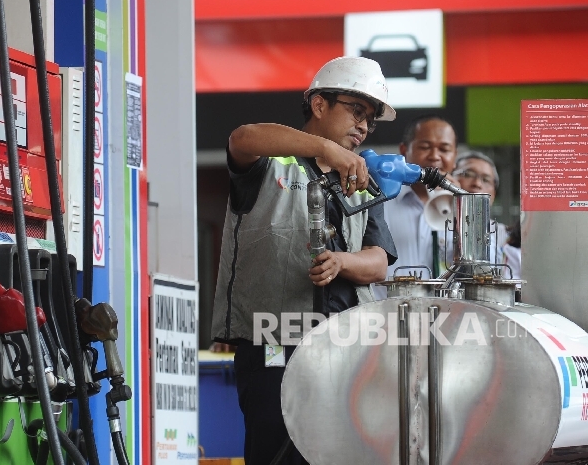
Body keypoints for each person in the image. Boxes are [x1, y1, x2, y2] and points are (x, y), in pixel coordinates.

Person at [210, 56, 398, 465]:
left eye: (371, 119)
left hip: (346, 346)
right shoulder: (269, 162)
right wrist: (328, 149)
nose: (364, 126)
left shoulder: (362, 182)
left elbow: (379, 262)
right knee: (277, 451)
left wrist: (342, 262)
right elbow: (242, 138)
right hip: (273, 342)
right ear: (318, 104)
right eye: (356, 111)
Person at [383, 115, 458, 281]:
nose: (435, 156)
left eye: (444, 150)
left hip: (443, 306)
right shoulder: (382, 200)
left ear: (455, 156)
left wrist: (461, 208)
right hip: (387, 305)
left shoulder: (460, 208)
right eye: (425, 147)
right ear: (404, 151)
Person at [453, 151, 508, 263]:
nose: (477, 183)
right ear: (451, 179)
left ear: (494, 194)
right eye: (468, 174)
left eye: (486, 180)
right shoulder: (431, 228)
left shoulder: (506, 237)